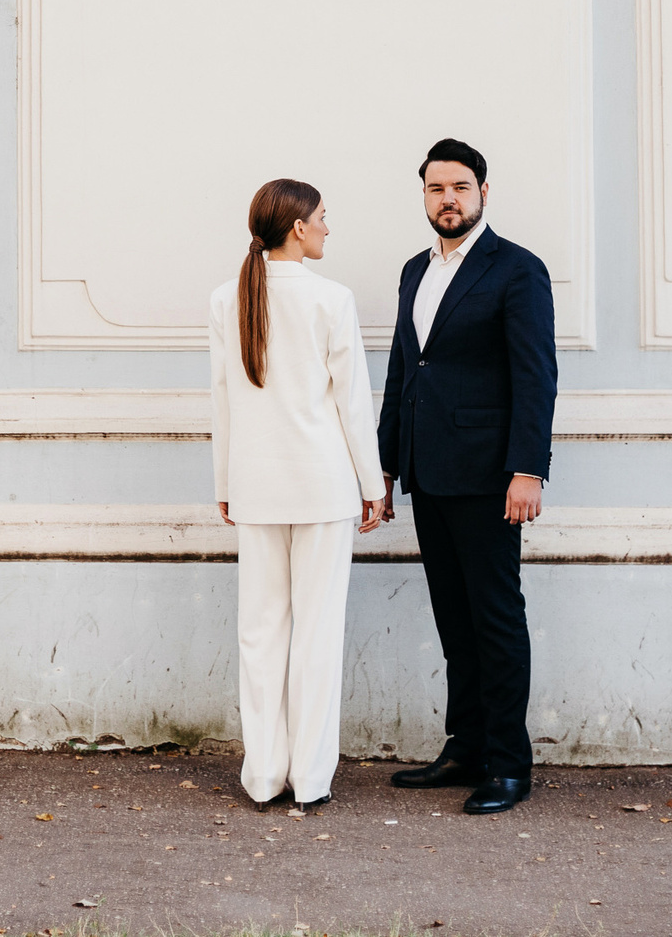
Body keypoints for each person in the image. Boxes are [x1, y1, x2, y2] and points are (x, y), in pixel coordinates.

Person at [375, 138, 557, 815]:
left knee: (496, 618)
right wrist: (386, 463)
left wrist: (527, 469)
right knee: (455, 618)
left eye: (459, 186)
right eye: (434, 188)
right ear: (423, 195)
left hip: (490, 477)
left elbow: (536, 378)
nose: (446, 198)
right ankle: (467, 746)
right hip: (430, 470)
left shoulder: (516, 270)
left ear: (484, 191)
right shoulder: (412, 271)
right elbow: (403, 370)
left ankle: (509, 763)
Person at [210, 178, 388, 809]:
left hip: (257, 485)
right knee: (317, 633)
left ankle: (262, 775)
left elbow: (224, 400)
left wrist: (225, 483)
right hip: (323, 488)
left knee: (259, 633)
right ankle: (310, 779)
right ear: (297, 229)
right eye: (321, 218)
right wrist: (374, 485)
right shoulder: (331, 299)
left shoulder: (225, 299)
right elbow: (353, 403)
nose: (327, 228)